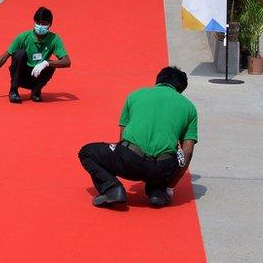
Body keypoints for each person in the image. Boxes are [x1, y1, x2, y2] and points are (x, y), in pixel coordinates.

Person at [78, 66, 197, 207]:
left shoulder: (135, 95)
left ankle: (112, 189)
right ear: (181, 89)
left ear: (158, 81)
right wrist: (170, 187)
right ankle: (158, 192)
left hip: (130, 160)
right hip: (163, 168)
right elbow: (187, 153)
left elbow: (122, 138)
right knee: (168, 158)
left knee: (87, 152)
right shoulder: (189, 107)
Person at [0, 6, 71, 104]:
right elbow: (4, 57)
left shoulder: (54, 39)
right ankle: (13, 90)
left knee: (51, 64)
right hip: (20, 75)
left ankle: (36, 92)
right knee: (20, 54)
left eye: (44, 24)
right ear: (34, 22)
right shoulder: (23, 37)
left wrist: (45, 63)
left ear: (50, 24)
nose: (40, 26)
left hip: (37, 74)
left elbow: (66, 61)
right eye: (38, 23)